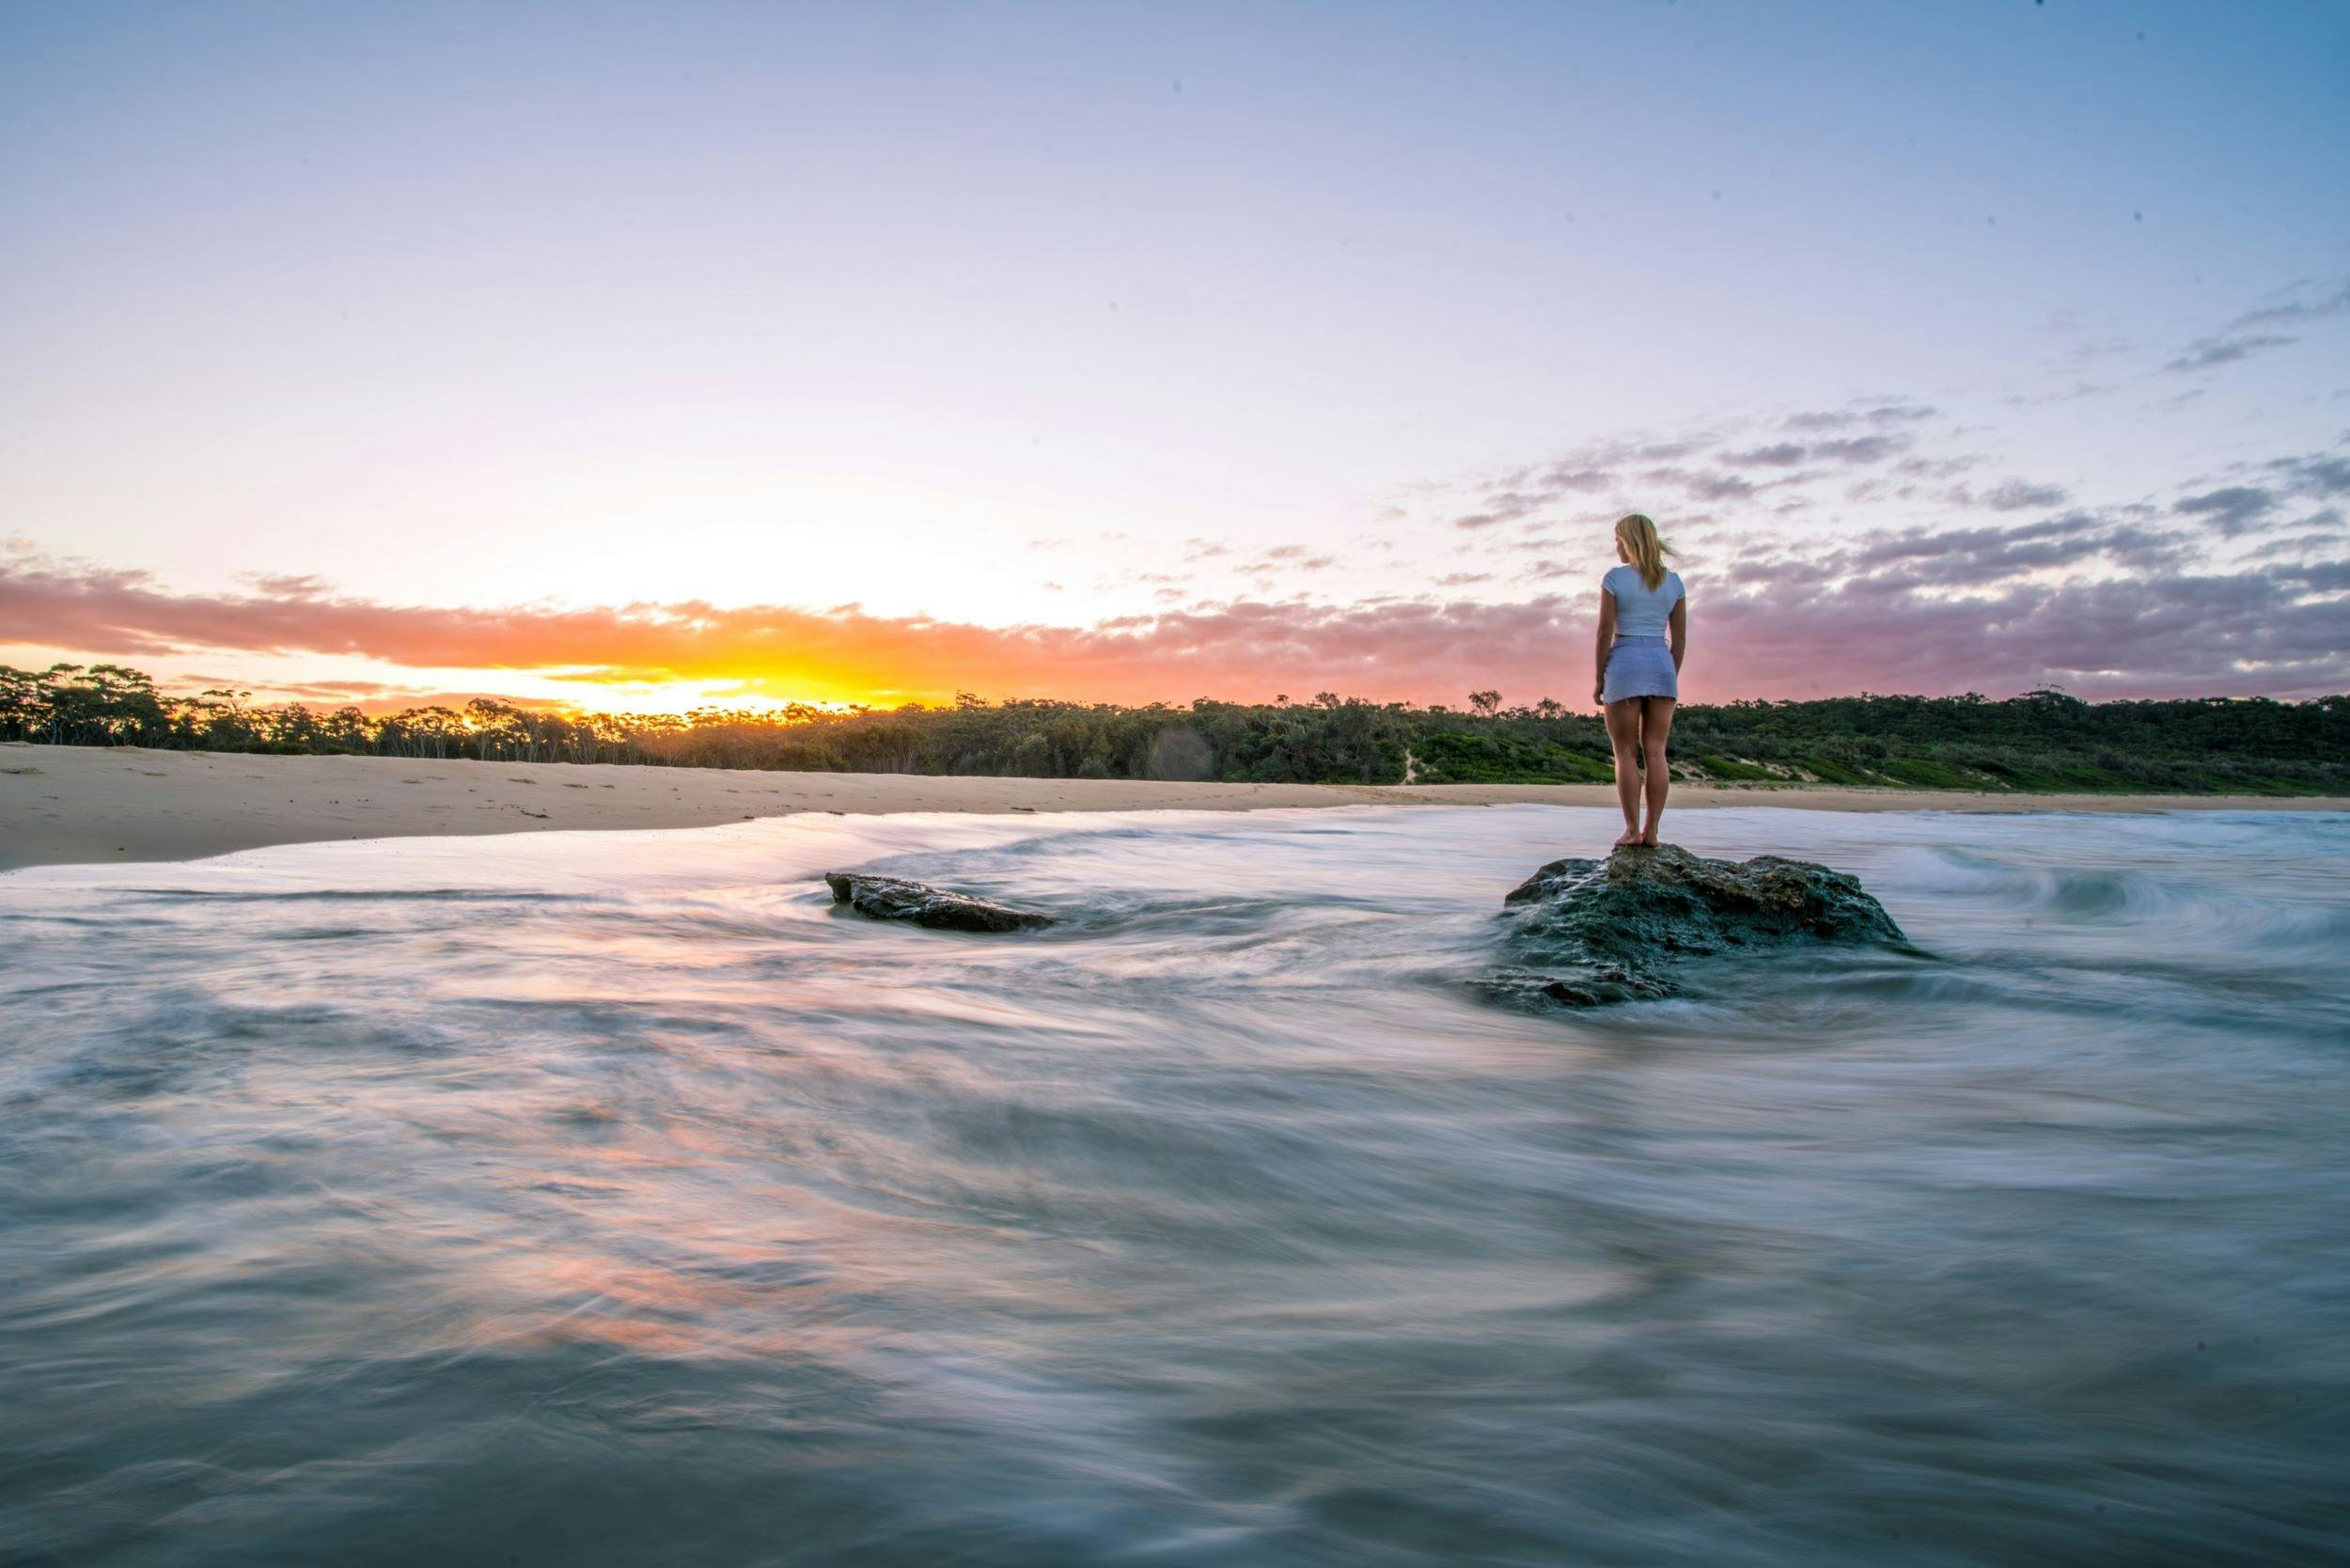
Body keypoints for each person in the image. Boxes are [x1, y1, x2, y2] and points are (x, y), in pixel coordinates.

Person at [1591, 512, 1686, 848]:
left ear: (1629, 541)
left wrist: (1599, 677)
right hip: (1661, 663)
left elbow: (1604, 632)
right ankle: (1653, 832)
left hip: (1625, 661)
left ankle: (1632, 830)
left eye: (1618, 539)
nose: (1616, 546)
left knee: (1625, 753)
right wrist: (1668, 675)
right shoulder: (1673, 582)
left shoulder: (1615, 579)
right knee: (1657, 752)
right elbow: (1680, 639)